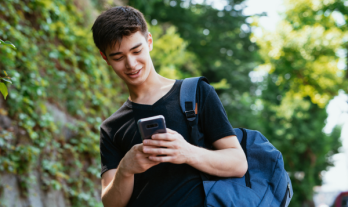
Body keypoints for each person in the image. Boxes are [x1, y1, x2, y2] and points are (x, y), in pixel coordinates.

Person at [92, 6, 248, 207]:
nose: (131, 64)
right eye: (118, 57)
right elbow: (111, 203)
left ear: (149, 42)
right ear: (105, 58)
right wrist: (125, 170)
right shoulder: (111, 128)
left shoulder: (196, 93)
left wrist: (187, 152)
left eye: (136, 50)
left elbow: (238, 163)